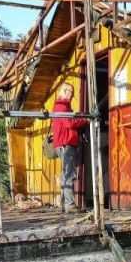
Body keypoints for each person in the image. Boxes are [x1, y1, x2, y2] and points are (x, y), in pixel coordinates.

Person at [49, 83, 89, 212]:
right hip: (66, 144)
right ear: (65, 91)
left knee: (66, 174)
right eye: (71, 92)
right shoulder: (61, 105)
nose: (73, 96)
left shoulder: (62, 106)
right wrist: (84, 120)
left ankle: (64, 205)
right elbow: (69, 123)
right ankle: (70, 205)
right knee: (69, 174)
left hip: (63, 143)